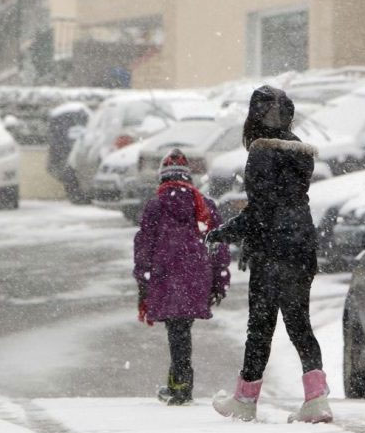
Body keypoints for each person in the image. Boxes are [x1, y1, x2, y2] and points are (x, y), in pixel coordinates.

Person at [206, 85, 333, 423]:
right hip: (302, 246)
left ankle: (245, 401)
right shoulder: (300, 153)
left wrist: (225, 232)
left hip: (273, 251)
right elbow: (286, 202)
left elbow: (262, 209)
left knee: (260, 328)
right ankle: (317, 399)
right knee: (299, 324)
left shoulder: (262, 152)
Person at [133, 148, 231, 406]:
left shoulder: (156, 205)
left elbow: (144, 246)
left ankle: (181, 384)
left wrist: (143, 280)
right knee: (181, 328)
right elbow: (218, 245)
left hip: (165, 276)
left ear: (162, 178)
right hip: (196, 277)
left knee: (176, 329)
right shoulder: (205, 205)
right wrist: (219, 280)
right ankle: (179, 382)